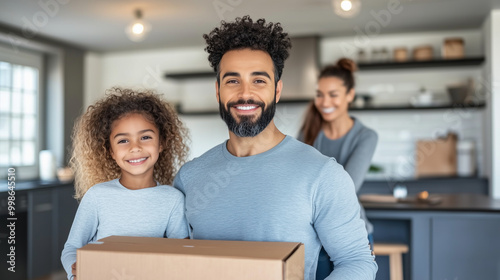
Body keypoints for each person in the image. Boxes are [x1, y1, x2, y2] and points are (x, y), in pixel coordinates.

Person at [173, 16, 377, 280]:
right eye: (232, 81)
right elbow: (173, 258)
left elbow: (357, 261)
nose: (245, 93)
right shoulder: (188, 177)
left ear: (277, 90)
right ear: (218, 90)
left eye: (259, 81)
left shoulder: (323, 174)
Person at [61, 88, 190, 280]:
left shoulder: (172, 199)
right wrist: (76, 273)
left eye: (145, 137)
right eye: (123, 140)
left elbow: (181, 253)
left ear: (161, 143)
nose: (135, 147)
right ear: (111, 151)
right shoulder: (97, 196)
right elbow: (72, 248)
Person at [298, 59, 379, 279]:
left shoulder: (365, 136)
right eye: (319, 94)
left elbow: (348, 185)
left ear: (350, 95)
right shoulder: (308, 133)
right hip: (312, 234)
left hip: (349, 233)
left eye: (333, 94)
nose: (325, 102)